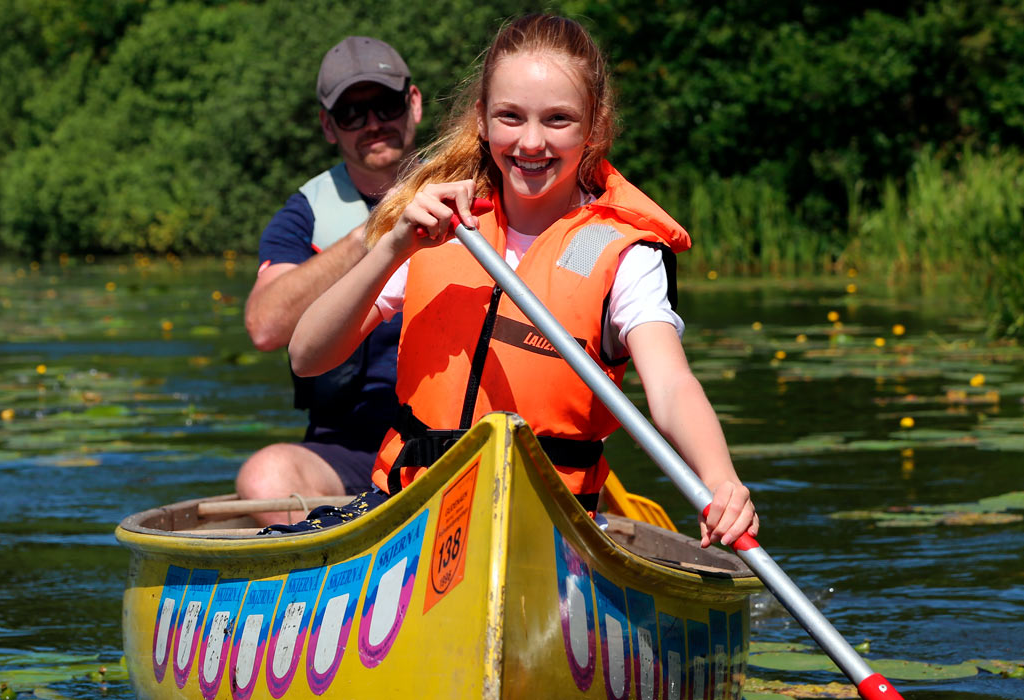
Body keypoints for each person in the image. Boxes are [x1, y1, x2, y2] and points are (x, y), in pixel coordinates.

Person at [289, 14, 758, 548]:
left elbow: (671, 386)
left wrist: (721, 479)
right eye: (510, 117)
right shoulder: (440, 226)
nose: (531, 142)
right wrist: (393, 246)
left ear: (595, 126)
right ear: (482, 120)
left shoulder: (624, 255)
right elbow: (307, 356)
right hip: (411, 512)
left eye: (558, 119)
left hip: (548, 526)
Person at [236, 36, 424, 526]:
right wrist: (374, 233)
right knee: (266, 476)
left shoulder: (472, 186)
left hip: (454, 440)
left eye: (385, 105)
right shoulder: (304, 216)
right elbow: (264, 327)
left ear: (414, 103)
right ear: (328, 126)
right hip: (348, 452)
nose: (372, 123)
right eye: (351, 114)